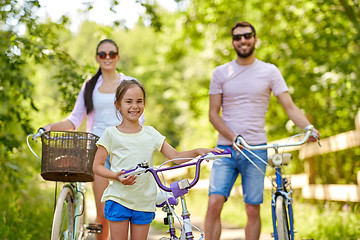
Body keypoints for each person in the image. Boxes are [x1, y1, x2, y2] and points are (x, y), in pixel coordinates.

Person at [204, 21, 320, 240]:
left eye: (247, 36)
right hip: (225, 149)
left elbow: (290, 107)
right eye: (237, 37)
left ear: (255, 39)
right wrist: (233, 137)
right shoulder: (221, 73)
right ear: (233, 42)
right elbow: (212, 114)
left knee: (252, 208)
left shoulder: (270, 71)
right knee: (214, 202)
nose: (243, 40)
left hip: (256, 148)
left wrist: (308, 127)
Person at [92, 79, 221, 240]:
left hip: (144, 202)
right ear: (118, 105)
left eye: (139, 101)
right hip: (119, 200)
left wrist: (198, 151)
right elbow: (97, 166)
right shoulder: (111, 134)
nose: (135, 106)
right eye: (128, 101)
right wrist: (116, 176)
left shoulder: (151, 133)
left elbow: (176, 157)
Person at [41, 39, 143, 240]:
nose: (107, 58)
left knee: (127, 209)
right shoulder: (90, 86)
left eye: (111, 54)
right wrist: (49, 127)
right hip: (98, 148)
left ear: (118, 57)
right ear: (97, 58)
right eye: (103, 54)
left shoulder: (128, 83)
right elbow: (73, 120)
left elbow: (139, 115)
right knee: (104, 211)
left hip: (124, 147)